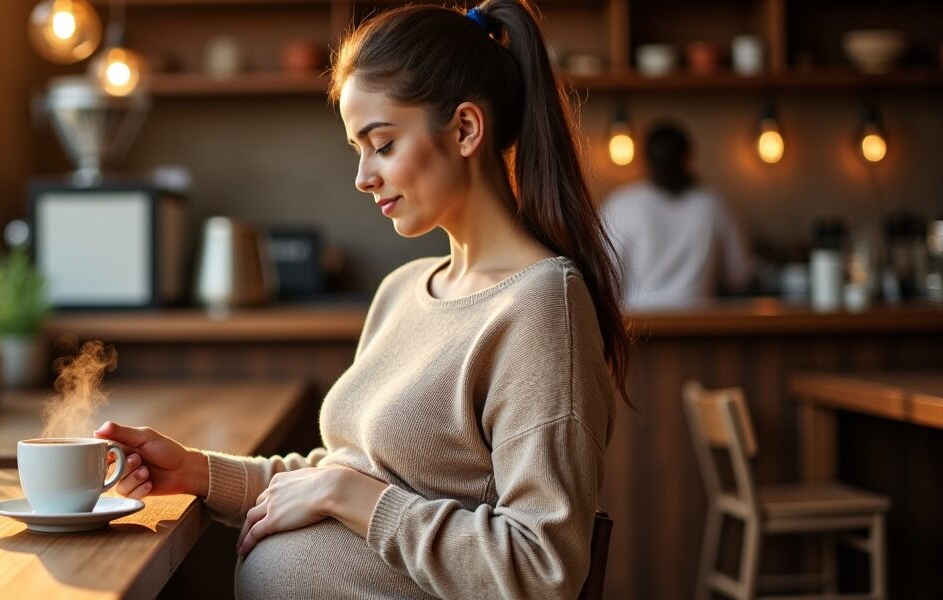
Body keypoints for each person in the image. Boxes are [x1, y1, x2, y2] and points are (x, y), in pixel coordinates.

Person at [94, 1, 627, 597]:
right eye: (357, 148)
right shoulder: (402, 290)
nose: (362, 176)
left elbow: (540, 567)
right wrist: (194, 471)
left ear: (466, 129)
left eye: (383, 144)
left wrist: (350, 497)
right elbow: (343, 475)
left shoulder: (540, 306)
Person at [601, 122, 754, 309]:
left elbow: (605, 276)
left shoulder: (622, 202)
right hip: (698, 322)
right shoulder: (712, 204)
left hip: (637, 323)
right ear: (687, 159)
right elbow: (739, 275)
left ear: (646, 161)